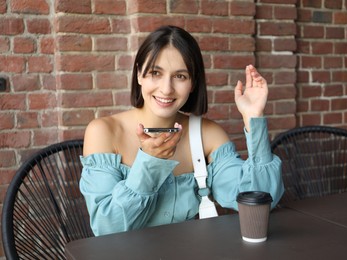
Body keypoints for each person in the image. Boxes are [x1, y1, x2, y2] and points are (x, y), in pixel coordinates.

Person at [80, 25, 284, 236]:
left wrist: (254, 119)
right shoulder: (103, 132)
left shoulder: (207, 134)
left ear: (193, 83)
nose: (166, 88)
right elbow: (106, 228)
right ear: (139, 74)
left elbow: (261, 199)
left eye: (180, 76)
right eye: (155, 73)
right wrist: (149, 165)